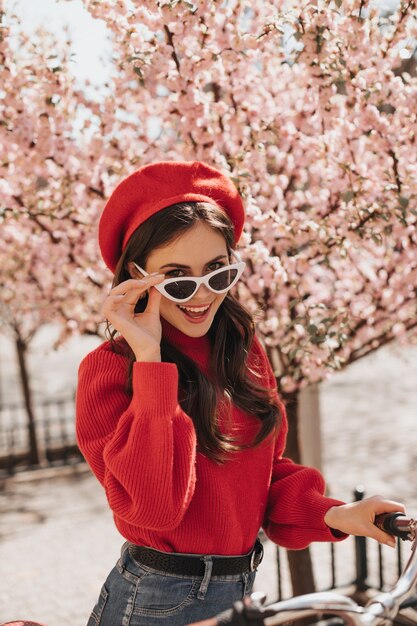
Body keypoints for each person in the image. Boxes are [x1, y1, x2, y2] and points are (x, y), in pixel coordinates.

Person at [76, 161, 405, 626]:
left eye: (217, 272)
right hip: (154, 602)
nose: (202, 295)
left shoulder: (242, 350)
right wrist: (150, 359)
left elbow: (265, 475)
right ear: (136, 275)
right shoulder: (109, 371)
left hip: (242, 593)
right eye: (177, 278)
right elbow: (155, 507)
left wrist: (340, 515)